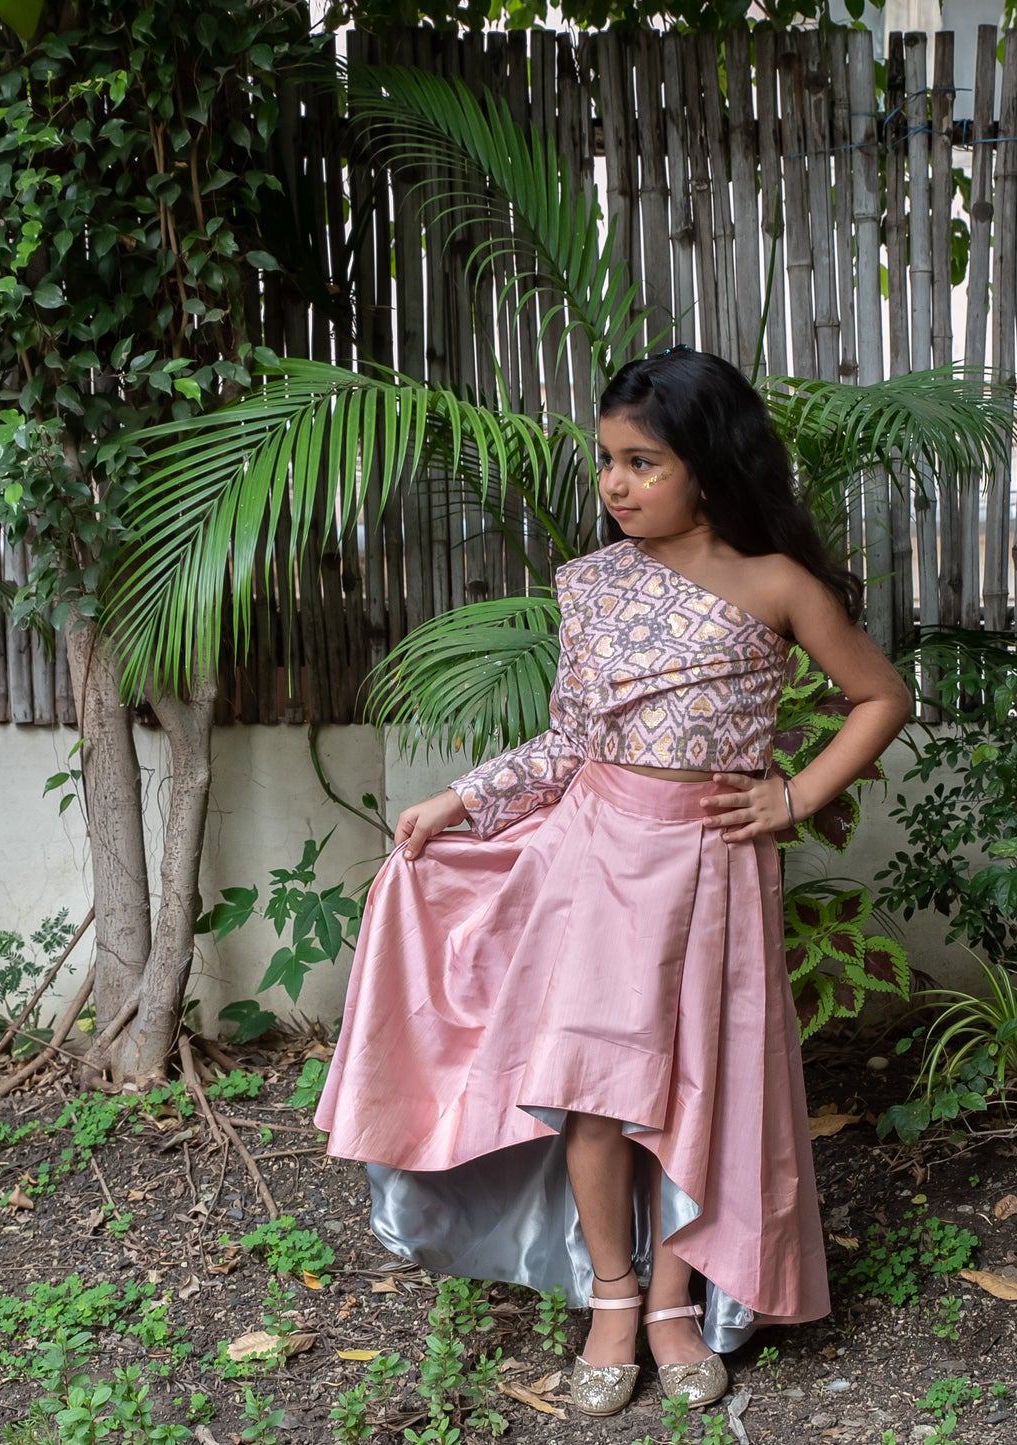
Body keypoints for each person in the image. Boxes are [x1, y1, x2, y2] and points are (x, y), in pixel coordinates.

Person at [315, 347, 913, 1419]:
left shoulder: (776, 585)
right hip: (595, 863)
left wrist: (792, 795)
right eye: (607, 460)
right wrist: (460, 797)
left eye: (643, 461)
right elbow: (565, 744)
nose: (616, 483)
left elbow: (879, 694)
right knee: (595, 1096)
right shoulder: (592, 587)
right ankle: (613, 1295)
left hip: (714, 876)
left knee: (694, 1091)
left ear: (711, 464)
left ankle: (678, 1305)